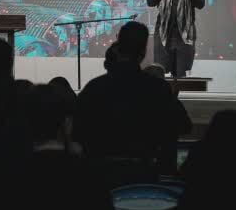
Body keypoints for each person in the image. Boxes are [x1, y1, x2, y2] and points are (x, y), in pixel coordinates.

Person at [75, 21, 191, 183]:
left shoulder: (94, 88)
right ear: (143, 52)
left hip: (101, 178)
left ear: (118, 47)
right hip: (144, 177)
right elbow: (184, 126)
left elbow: (77, 132)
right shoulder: (158, 89)